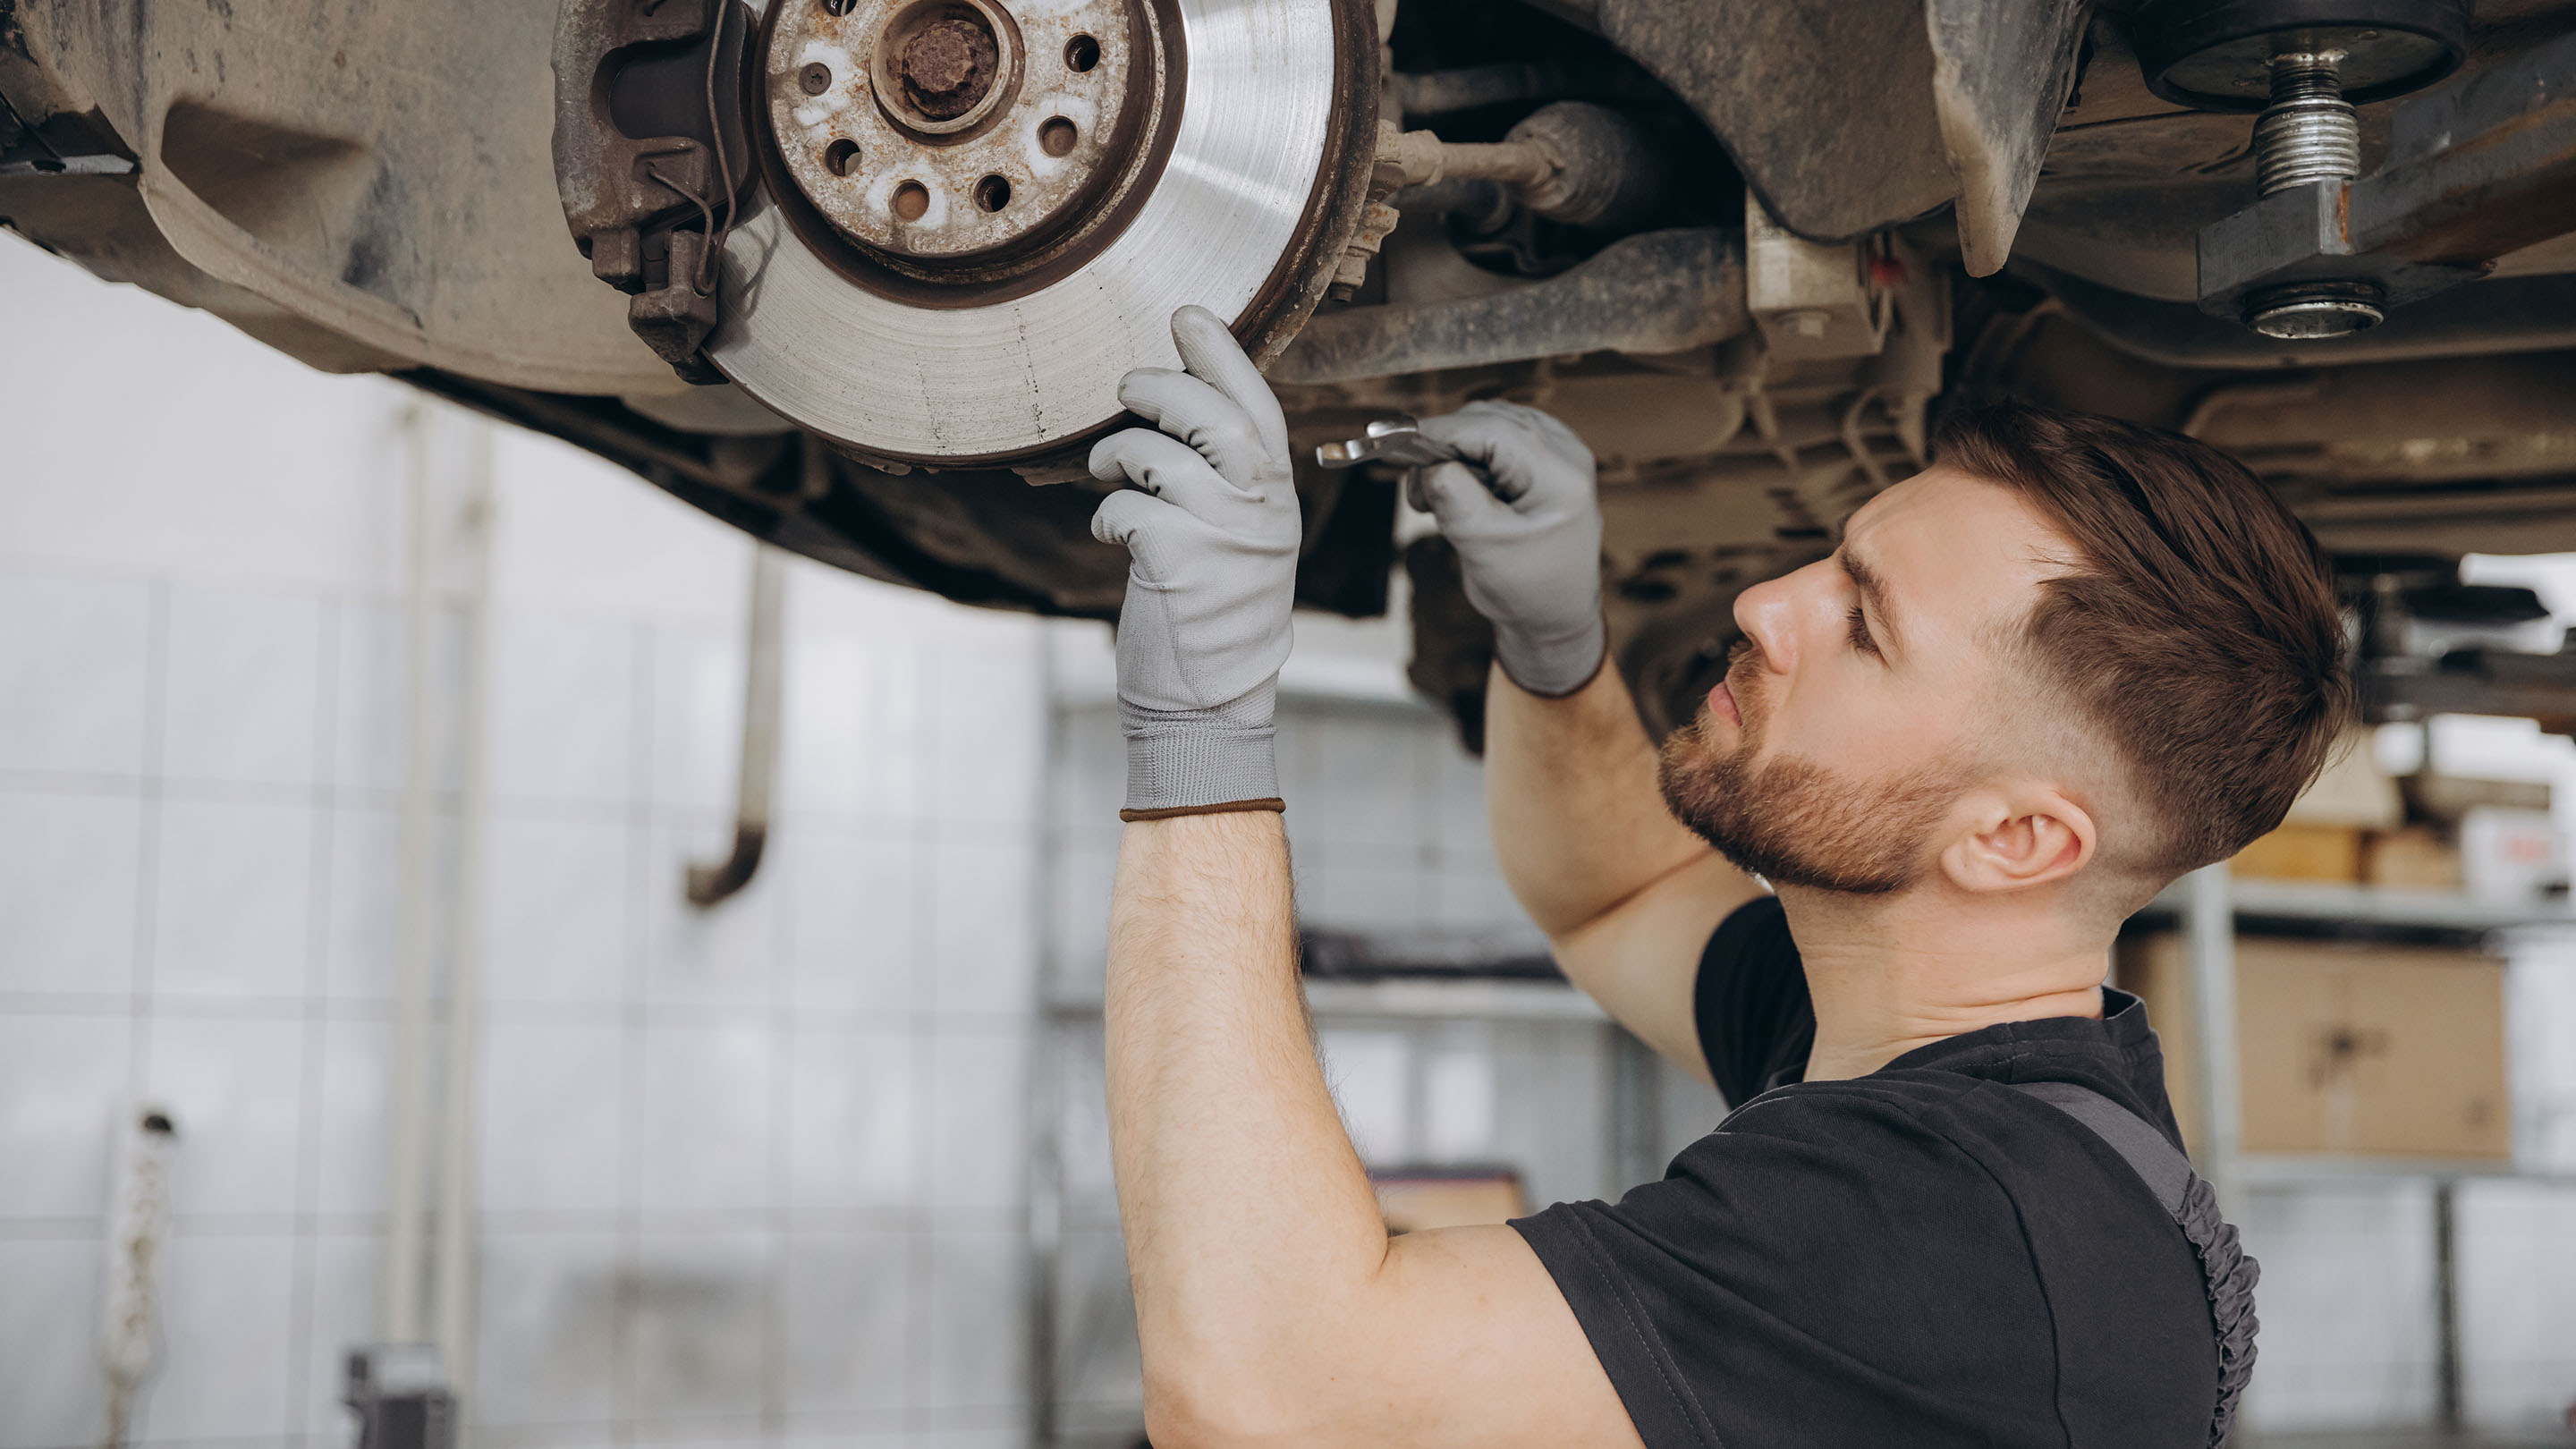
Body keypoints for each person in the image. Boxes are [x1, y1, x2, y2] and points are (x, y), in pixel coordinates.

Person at [1084, 305, 2349, 1449]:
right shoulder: (1955, 1066)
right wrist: (1553, 642)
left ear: (2015, 841)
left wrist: (1202, 732)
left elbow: (1272, 1392)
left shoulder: (1961, 1235)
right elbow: (1616, 898)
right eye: (1831, 558)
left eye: (1863, 625)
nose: (1761, 602)